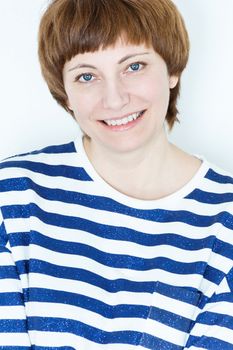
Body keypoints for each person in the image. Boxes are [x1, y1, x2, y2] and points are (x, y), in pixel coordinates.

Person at [0, 0, 232, 349]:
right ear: (66, 96)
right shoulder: (13, 197)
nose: (114, 99)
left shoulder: (224, 222)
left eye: (134, 66)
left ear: (172, 69)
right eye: (87, 76)